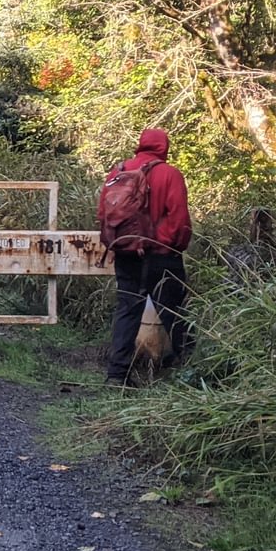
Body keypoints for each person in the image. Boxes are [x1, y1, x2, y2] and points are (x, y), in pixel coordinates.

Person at [102, 128, 192, 383]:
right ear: (164, 147)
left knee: (127, 310)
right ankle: (189, 369)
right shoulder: (170, 174)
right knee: (173, 310)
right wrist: (174, 247)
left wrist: (118, 245)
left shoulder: (118, 172)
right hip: (161, 255)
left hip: (126, 253)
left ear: (140, 145)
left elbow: (104, 215)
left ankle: (116, 375)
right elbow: (179, 218)